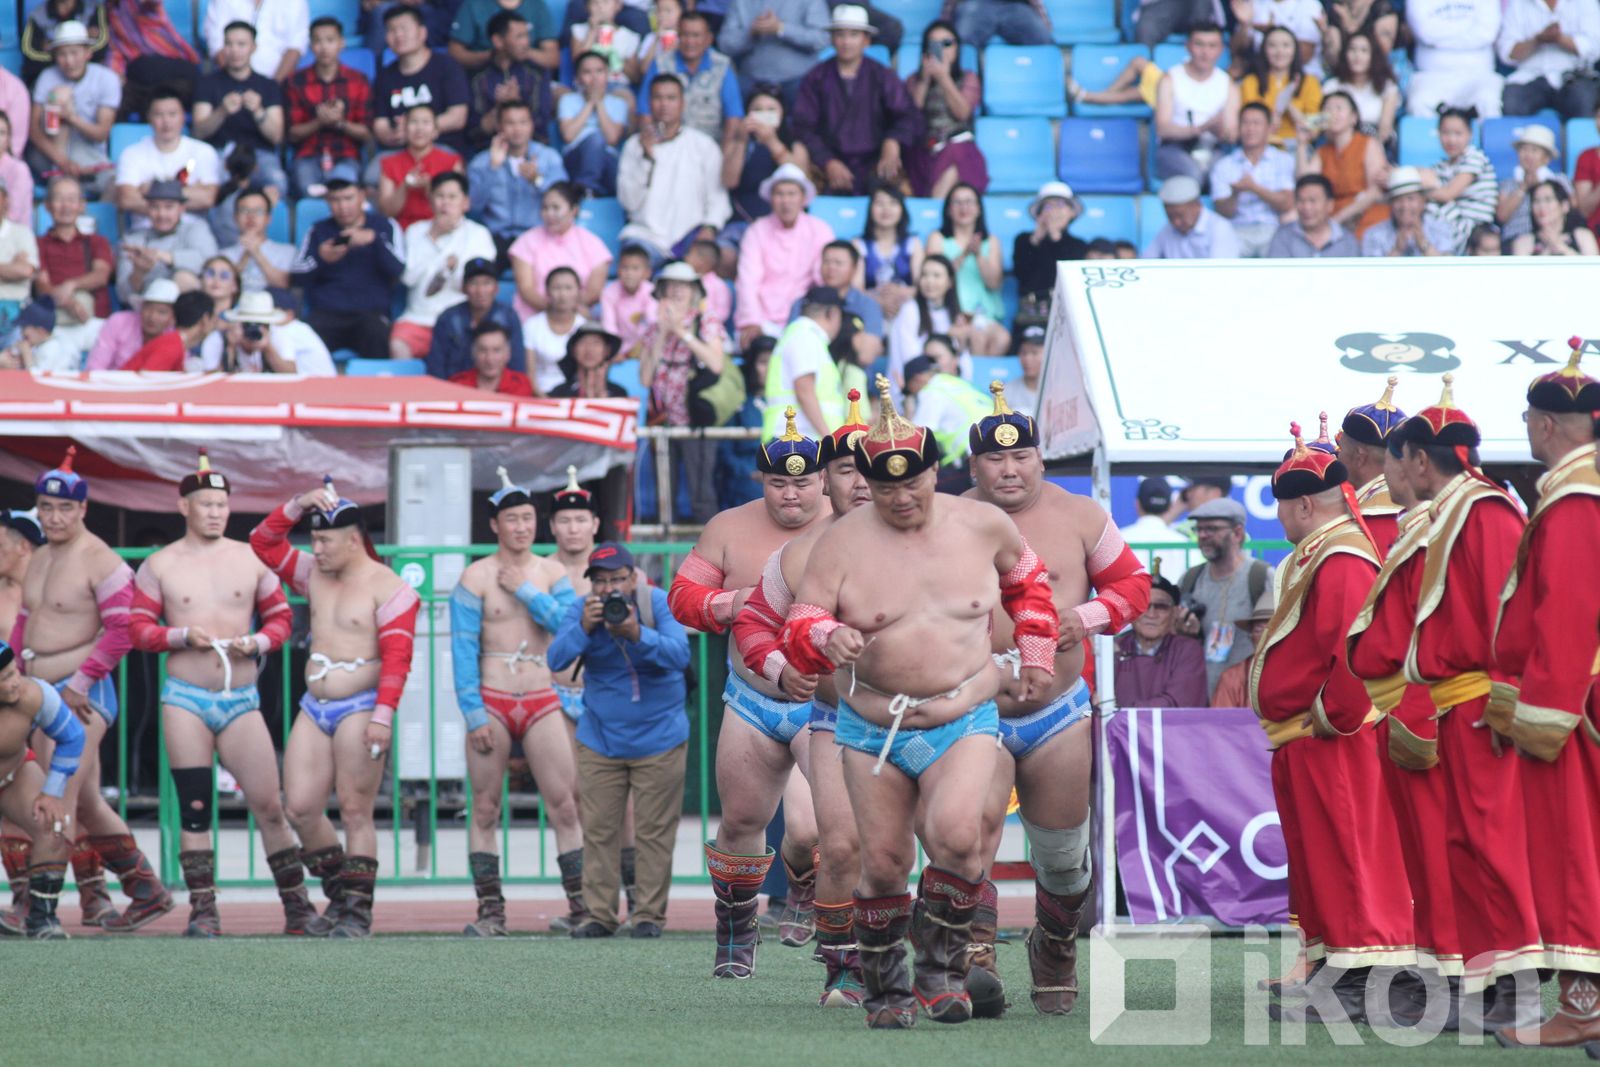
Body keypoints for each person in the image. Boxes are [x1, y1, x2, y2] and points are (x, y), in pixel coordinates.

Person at [777, 379, 1059, 1028]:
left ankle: (941, 970)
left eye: (914, 483)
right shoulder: (840, 542)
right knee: (882, 863)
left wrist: (1038, 655)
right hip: (871, 720)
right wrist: (827, 635)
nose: (902, 498)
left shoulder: (985, 523)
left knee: (959, 838)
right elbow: (801, 622)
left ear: (937, 469)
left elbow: (1030, 586)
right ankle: (886, 987)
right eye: (885, 488)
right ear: (866, 486)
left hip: (965, 711)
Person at [962, 384, 1151, 1012]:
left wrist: (1087, 616)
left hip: (1058, 709)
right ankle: (973, 949)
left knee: (1065, 858)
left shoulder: (1082, 516)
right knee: (969, 833)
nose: (1010, 469)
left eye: (1022, 457)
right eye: (995, 460)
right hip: (971, 704)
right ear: (974, 467)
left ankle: (1055, 944)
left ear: (1042, 459)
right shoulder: (946, 519)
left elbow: (1133, 587)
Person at [1251, 423, 1415, 1026]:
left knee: (1350, 853)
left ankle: (1367, 972)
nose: (1280, 520)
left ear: (1300, 504)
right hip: (1307, 737)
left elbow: (1350, 654)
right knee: (1325, 857)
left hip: (1333, 736)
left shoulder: (1341, 556)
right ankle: (1342, 966)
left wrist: (1330, 718)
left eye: (1282, 508)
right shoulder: (1321, 551)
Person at [126, 453, 326, 937]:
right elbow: (137, 629)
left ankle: (297, 908)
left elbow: (281, 618)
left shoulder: (249, 557)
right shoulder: (160, 564)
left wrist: (257, 643)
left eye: (221, 504)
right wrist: (178, 637)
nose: (215, 512)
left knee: (270, 805)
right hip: (186, 698)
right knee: (195, 808)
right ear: (184, 507)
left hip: (240, 699)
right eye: (206, 504)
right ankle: (203, 911)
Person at [1393, 375, 1541, 1028]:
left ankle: (1520, 981)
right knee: (1466, 843)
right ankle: (1486, 979)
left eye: (1403, 461)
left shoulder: (1483, 511)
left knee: (1494, 844)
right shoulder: (1461, 509)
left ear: (1422, 459)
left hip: (1481, 701)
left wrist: (1505, 703)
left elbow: (1506, 617)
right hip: (1458, 701)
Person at [670, 415, 832, 973]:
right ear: (761, 481)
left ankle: (827, 920)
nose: (790, 493)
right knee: (740, 821)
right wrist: (735, 603)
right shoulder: (728, 526)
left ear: (824, 482)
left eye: (803, 481)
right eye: (778, 482)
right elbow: (682, 595)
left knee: (822, 826)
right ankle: (736, 929)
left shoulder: (851, 528)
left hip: (823, 701)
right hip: (752, 697)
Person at [726, 392, 872, 1001]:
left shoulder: (961, 530)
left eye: (878, 464)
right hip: (835, 717)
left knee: (950, 839)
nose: (865, 481)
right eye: (846, 468)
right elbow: (753, 620)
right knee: (837, 843)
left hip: (942, 717)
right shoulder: (799, 552)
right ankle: (846, 968)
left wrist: (1029, 654)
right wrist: (782, 666)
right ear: (826, 480)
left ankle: (953, 961)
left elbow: (1019, 598)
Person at [249, 481, 420, 939]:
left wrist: (383, 716)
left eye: (325, 540)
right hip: (315, 704)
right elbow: (262, 543)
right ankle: (343, 895)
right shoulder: (313, 573)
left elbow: (398, 661)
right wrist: (297, 502)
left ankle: (357, 914)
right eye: (313, 539)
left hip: (362, 705)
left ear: (353, 539)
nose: (316, 548)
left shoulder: (393, 588)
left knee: (354, 809)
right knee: (301, 807)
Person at [13, 448, 174, 931]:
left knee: (56, 796)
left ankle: (37, 909)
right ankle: (145, 889)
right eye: (46, 507)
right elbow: (25, 623)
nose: (55, 516)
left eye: (65, 508)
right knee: (83, 802)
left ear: (84, 509)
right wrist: (15, 677)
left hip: (80, 694)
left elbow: (122, 630)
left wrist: (82, 682)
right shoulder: (39, 556)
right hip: (40, 690)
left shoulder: (101, 560)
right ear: (37, 508)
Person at [1490, 345, 1600, 1049]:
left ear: (1546, 426)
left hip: (1575, 703)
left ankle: (1582, 1006)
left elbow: (1566, 612)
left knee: (1573, 856)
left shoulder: (1573, 496)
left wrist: (1539, 717)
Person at [1345, 403, 1463, 1027]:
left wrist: (1411, 708)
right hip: (1406, 698)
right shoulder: (1417, 519)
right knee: (1418, 849)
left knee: (1440, 847)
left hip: (1425, 702)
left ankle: (1451, 975)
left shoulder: (1421, 521)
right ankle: (1427, 969)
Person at [448, 469, 581, 936]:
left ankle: (581, 909)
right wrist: (473, 713)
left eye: (528, 518)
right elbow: (463, 650)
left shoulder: (552, 572)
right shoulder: (474, 576)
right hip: (492, 698)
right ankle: (491, 912)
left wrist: (524, 589)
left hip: (543, 695)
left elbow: (570, 627)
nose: (522, 527)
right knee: (484, 807)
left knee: (564, 804)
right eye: (512, 519)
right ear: (495, 526)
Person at [549, 542, 690, 938]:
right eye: (601, 581)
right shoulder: (581, 610)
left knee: (654, 832)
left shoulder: (656, 602)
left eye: (617, 579)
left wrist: (636, 633)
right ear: (591, 584)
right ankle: (599, 915)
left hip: (660, 736)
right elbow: (556, 659)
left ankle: (647, 916)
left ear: (633, 577)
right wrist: (583, 629)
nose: (610, 590)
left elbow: (680, 654)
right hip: (600, 739)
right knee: (598, 829)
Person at [0, 639, 84, 939]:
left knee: (53, 824)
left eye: (14, 673)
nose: (15, 683)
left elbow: (73, 738)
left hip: (13, 775)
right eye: (5, 678)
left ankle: (41, 918)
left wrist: (52, 792)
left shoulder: (36, 694)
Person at [791, 7, 922, 196]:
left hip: (875, 163)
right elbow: (803, 126)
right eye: (840, 35)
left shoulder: (883, 76)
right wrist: (828, 161)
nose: (846, 42)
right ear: (832, 39)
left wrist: (892, 141)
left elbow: (908, 115)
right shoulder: (816, 78)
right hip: (828, 165)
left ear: (866, 40)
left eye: (853, 35)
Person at [639, 259, 730, 523]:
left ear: (694, 291)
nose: (678, 291)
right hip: (662, 421)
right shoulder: (654, 328)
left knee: (701, 493)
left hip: (695, 421)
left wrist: (682, 333)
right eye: (671, 286)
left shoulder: (706, 321)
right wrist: (662, 334)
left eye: (684, 285)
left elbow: (716, 363)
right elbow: (645, 378)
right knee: (663, 494)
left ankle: (711, 556)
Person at [291, 179, 406, 361]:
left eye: (348, 198)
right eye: (335, 200)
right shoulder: (318, 230)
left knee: (377, 334)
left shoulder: (384, 225)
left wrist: (374, 241)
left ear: (362, 196)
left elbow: (399, 271)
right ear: (327, 202)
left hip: (371, 314)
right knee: (300, 340)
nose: (342, 206)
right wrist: (321, 258)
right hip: (327, 314)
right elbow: (296, 278)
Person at [618, 74, 730, 261]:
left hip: (689, 240)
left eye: (671, 98)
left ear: (682, 103)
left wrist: (709, 228)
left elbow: (717, 198)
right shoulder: (633, 145)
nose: (664, 105)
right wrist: (646, 157)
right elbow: (629, 202)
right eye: (658, 98)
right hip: (645, 238)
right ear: (649, 103)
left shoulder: (703, 145)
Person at [1174, 496, 1274, 698]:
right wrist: (1186, 634)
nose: (1202, 535)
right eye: (1198, 529)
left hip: (1246, 703)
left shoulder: (1261, 576)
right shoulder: (1190, 578)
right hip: (1199, 701)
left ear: (1237, 533)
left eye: (1211, 529)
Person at [391, 173, 496, 361]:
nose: (445, 203)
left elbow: (472, 283)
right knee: (397, 345)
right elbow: (408, 278)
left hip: (461, 317)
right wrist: (433, 237)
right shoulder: (415, 232)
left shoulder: (479, 234)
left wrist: (446, 270)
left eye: (452, 197)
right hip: (419, 318)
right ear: (430, 201)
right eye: (440, 196)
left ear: (465, 203)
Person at [734, 163, 833, 347]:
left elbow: (823, 278)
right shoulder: (757, 230)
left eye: (791, 194)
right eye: (780, 194)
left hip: (804, 318)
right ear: (771, 198)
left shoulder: (820, 229)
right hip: (761, 320)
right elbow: (747, 280)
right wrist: (751, 321)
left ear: (802, 197)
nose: (785, 201)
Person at [192, 23, 289, 199]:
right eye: (229, 44)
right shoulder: (207, 83)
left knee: (278, 182)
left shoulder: (268, 86)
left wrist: (258, 111)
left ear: (253, 47)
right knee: (209, 190)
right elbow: (199, 132)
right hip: (220, 152)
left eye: (241, 44)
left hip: (259, 154)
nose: (234, 50)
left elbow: (276, 136)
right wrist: (221, 111)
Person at [28, 20, 121, 199]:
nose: (69, 61)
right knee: (59, 96)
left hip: (92, 156)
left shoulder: (107, 79)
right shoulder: (47, 77)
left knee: (117, 186)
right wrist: (63, 162)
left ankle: (98, 221)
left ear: (88, 52)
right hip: (53, 155)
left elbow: (101, 133)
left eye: (74, 53)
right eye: (62, 54)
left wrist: (71, 117)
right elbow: (34, 131)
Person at [285, 17, 373, 198]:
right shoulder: (295, 81)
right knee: (308, 190)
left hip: (346, 155)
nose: (324, 47)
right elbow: (292, 133)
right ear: (310, 46)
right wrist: (319, 122)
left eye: (330, 40)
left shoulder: (358, 80)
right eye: (318, 41)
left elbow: (366, 133)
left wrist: (340, 123)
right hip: (308, 156)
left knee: (344, 190)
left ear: (342, 43)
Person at [469, 100, 566, 259]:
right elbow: (472, 207)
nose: (517, 129)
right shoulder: (481, 162)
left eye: (523, 122)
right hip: (495, 238)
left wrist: (538, 180)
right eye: (510, 123)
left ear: (531, 125)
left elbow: (564, 201)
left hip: (539, 236)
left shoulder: (548, 157)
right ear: (499, 127)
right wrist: (492, 169)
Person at [372, 7, 472, 161]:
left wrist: (415, 129)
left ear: (422, 32)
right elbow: (380, 125)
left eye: (404, 28)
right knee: (372, 175)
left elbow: (458, 117)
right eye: (392, 30)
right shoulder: (384, 77)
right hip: (400, 153)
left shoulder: (447, 66)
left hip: (442, 147)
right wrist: (394, 136)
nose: (398, 35)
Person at [721, 85, 810, 255]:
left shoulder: (795, 147)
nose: (763, 115)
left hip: (785, 226)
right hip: (743, 223)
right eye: (757, 110)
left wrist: (771, 141)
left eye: (771, 109)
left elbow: (799, 179)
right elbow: (729, 181)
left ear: (782, 113)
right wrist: (741, 140)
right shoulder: (738, 143)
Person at [904, 20, 985, 199]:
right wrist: (925, 80)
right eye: (934, 44)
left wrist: (944, 78)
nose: (942, 49)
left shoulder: (968, 78)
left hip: (957, 146)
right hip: (925, 149)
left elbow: (962, 113)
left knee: (956, 153)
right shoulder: (914, 80)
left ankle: (936, 202)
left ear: (957, 48)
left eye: (947, 44)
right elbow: (910, 117)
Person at [787, 239, 884, 389]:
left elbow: (867, 355)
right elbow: (792, 347)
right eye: (826, 262)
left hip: (853, 385)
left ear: (855, 268)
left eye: (838, 263)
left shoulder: (867, 305)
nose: (831, 268)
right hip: (810, 377)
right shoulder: (803, 303)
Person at [925, 183, 1008, 356]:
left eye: (970, 202)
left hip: (983, 314)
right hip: (951, 312)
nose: (964, 208)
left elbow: (994, 283)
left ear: (979, 209)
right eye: (958, 202)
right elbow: (934, 276)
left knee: (1002, 338)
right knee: (976, 338)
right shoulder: (937, 238)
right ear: (948, 210)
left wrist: (978, 255)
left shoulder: (991, 241)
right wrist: (964, 254)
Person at [113, 90, 223, 219]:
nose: (166, 121)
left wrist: (150, 190)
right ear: (149, 117)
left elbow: (207, 199)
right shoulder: (131, 153)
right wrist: (189, 191)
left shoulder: (203, 151)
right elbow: (127, 200)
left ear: (183, 116)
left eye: (172, 114)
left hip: (192, 230)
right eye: (159, 115)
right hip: (145, 230)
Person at [1153, 23, 1240, 185]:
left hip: (1212, 148)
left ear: (1221, 50)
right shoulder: (1170, 78)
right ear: (1188, 46)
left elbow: (1232, 134)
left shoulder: (1227, 84)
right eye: (1199, 44)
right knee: (1193, 175)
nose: (1205, 53)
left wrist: (1222, 131)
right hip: (1175, 148)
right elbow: (1163, 128)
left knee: (1224, 174)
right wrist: (1200, 129)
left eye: (1212, 46)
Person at [510, 182, 611, 319]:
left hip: (577, 317)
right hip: (533, 318)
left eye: (556, 208)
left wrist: (568, 313)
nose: (549, 214)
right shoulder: (526, 241)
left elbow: (594, 291)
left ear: (573, 210)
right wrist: (556, 313)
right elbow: (526, 289)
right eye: (545, 208)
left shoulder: (592, 243)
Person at [1115, 562, 1209, 708]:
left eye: (1161, 607)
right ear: (1132, 611)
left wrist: (1123, 713)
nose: (1151, 614)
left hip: (1170, 730)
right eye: (1143, 605)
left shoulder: (1188, 650)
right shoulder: (1114, 649)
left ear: (1175, 613)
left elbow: (1179, 703)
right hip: (1118, 730)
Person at [1297, 92, 1388, 239]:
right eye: (1328, 110)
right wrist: (1301, 144)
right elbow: (1306, 184)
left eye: (1339, 108)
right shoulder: (1323, 152)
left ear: (1353, 118)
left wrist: (1338, 219)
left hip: (1366, 212)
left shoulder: (1368, 143)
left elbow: (1375, 192)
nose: (1333, 114)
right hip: (1332, 214)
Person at [640, 11, 742, 142]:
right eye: (685, 35)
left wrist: (722, 157)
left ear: (708, 39)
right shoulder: (660, 64)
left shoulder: (722, 66)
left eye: (696, 35)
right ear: (678, 36)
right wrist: (654, 146)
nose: (690, 41)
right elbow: (644, 112)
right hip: (666, 147)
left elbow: (733, 117)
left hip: (710, 149)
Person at [1336, 376, 1410, 555]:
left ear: (1359, 456)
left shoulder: (1374, 519)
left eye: (1341, 449)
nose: (1337, 456)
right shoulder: (1416, 505)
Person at [114, 180, 218, 307]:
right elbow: (123, 295)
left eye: (169, 207)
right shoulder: (133, 240)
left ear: (182, 209)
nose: (162, 214)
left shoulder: (196, 229)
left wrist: (163, 256)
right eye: (155, 207)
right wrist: (139, 272)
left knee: (184, 278)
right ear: (147, 209)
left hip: (187, 311)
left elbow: (212, 264)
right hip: (148, 310)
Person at [1212, 103, 1296, 258]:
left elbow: (1287, 204)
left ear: (1270, 128)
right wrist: (1235, 194)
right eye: (1245, 123)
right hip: (1236, 230)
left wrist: (1254, 188)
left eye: (1256, 123)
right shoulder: (1224, 165)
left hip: (1274, 229)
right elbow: (1223, 212)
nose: (1250, 128)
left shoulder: (1284, 160)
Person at [34, 176, 112, 332]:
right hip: (56, 321)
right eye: (59, 199)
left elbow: (101, 276)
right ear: (48, 206)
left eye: (71, 199)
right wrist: (68, 302)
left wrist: (71, 285)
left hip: (94, 321)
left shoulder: (97, 242)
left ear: (82, 206)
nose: (65, 206)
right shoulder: (38, 244)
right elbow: (42, 285)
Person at [1497, 0, 1600, 118]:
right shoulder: (1518, 3)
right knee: (1511, 102)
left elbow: (1595, 48)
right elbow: (1506, 53)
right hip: (1529, 77)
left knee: (1585, 100)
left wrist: (1560, 39)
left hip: (1575, 75)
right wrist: (1537, 40)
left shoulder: (1585, 3)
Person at [468, 12, 553, 154]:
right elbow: (474, 132)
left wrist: (517, 103)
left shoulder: (536, 72)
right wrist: (499, 107)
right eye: (519, 36)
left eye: (527, 35)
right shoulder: (477, 76)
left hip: (532, 152)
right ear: (498, 41)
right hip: (488, 152)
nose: (526, 42)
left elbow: (541, 124)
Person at [1417, 108, 1499, 253]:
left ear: (1470, 134)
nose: (1451, 140)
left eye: (1458, 133)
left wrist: (1422, 191)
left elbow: (1447, 194)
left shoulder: (1475, 157)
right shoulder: (1441, 166)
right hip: (1452, 223)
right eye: (1446, 133)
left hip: (1474, 230)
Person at [765, 286, 843, 439]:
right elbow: (804, 389)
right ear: (832, 313)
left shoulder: (801, 335)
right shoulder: (805, 336)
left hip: (798, 438)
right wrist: (829, 439)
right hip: (798, 440)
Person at [428, 257, 524, 379]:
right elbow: (436, 367)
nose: (480, 290)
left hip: (498, 393)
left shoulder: (508, 318)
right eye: (473, 283)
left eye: (487, 283)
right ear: (464, 288)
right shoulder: (448, 318)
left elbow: (517, 365)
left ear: (496, 288)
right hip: (454, 391)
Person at [718, 0, 831, 101]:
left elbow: (822, 39)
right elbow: (724, 45)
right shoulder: (741, 2)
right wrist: (750, 33)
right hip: (751, 82)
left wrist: (781, 28)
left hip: (799, 81)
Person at [1406, 0, 1503, 117]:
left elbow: (1487, 34)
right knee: (1419, 103)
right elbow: (1425, 33)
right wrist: (1469, 30)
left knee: (1489, 102)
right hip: (1431, 75)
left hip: (1479, 75)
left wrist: (1440, 38)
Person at [105, 0, 201, 118]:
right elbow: (116, 47)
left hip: (173, 68)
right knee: (111, 96)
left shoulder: (145, 6)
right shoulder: (113, 11)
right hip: (140, 77)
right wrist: (115, 73)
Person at [559, 50, 632, 198]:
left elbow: (612, 139)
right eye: (587, 72)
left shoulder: (618, 104)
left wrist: (598, 103)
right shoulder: (568, 100)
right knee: (595, 139)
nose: (594, 78)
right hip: (576, 159)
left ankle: (588, 189)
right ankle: (587, 189)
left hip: (608, 161)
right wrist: (590, 102)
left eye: (599, 71)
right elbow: (568, 136)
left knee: (601, 145)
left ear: (607, 75)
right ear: (578, 78)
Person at [378, 106, 465, 231]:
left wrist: (431, 187)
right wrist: (405, 186)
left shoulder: (451, 161)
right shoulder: (389, 163)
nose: (419, 128)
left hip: (443, 228)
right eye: (414, 122)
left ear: (435, 131)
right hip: (402, 232)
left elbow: (459, 206)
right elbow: (387, 212)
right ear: (405, 129)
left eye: (426, 122)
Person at [218, 289, 338, 375]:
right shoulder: (222, 337)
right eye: (248, 323)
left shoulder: (281, 332)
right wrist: (230, 347)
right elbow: (214, 381)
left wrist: (268, 347)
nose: (254, 327)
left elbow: (290, 374)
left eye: (261, 322)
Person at [900, 354, 989, 471]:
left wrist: (908, 410)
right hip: (995, 445)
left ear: (917, 379)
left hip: (973, 454)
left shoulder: (931, 392)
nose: (913, 395)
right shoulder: (957, 382)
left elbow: (919, 436)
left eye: (910, 390)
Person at [886, 254, 963, 387]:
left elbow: (962, 362)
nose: (929, 281)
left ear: (950, 282)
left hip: (948, 387)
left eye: (936, 275)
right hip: (911, 388)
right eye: (924, 275)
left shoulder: (955, 315)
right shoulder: (909, 310)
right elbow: (911, 361)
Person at [1239, 26, 1323, 148]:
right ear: (1264, 50)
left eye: (1286, 45)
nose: (1279, 52)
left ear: (1295, 50)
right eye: (1273, 46)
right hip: (1261, 146)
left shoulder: (1310, 82)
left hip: (1297, 146)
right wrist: (1276, 113)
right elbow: (1248, 124)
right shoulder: (1251, 82)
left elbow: (1314, 131)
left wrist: (1287, 102)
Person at [1013, 181, 1086, 309]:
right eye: (1048, 206)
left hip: (1067, 308)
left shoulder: (1079, 245)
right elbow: (1022, 274)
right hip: (1032, 312)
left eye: (1060, 205)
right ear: (1039, 213)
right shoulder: (1024, 240)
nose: (1054, 212)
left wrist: (1055, 237)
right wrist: (1035, 239)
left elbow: (1069, 278)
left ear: (1072, 213)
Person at [855, 183, 922, 323]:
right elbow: (856, 291)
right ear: (870, 209)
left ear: (902, 209)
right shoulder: (858, 245)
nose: (886, 209)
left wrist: (900, 293)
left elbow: (921, 287)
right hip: (870, 307)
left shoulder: (913, 244)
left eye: (893, 203)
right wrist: (879, 301)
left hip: (904, 306)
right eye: (880, 203)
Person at [1322, 31, 1400, 150]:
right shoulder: (1332, 86)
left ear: (1373, 56)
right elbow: (1324, 126)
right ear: (1345, 54)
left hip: (1376, 146)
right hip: (1337, 146)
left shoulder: (1387, 87)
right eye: (1352, 50)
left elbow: (1385, 129)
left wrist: (1368, 155)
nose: (1357, 56)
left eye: (1364, 51)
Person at [1495, 125, 1569, 245]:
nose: (1528, 155)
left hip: (1555, 239)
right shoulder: (1507, 184)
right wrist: (1523, 187)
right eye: (1524, 150)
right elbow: (1501, 217)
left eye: (1534, 150)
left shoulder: (1560, 180)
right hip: (1514, 241)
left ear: (1547, 158)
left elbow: (1571, 209)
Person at [85, 278, 178, 371]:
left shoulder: (176, 336)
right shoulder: (119, 322)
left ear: (172, 318)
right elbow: (95, 366)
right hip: (112, 383)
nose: (152, 317)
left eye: (162, 312)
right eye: (148, 308)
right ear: (141, 308)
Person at [204, 0, 308, 80]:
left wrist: (272, 90)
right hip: (229, 84)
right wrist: (235, 83)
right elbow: (217, 45)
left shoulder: (294, 2)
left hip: (278, 86)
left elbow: (295, 48)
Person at [1362, 167, 1456, 256]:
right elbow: (1372, 272)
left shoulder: (1440, 227)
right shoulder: (1374, 234)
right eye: (1398, 200)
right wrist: (1397, 250)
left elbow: (1449, 269)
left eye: (1410, 199)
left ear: (1422, 201)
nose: (1405, 206)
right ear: (1391, 204)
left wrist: (1423, 243)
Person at [523, 266, 588, 393]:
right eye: (556, 288)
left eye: (568, 288)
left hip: (575, 395)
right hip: (540, 394)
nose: (563, 295)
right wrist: (545, 401)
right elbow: (529, 373)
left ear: (578, 292)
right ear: (547, 292)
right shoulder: (531, 325)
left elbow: (587, 372)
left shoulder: (584, 326)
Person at [1145, 175, 1243, 259]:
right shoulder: (1168, 229)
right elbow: (1146, 261)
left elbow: (1219, 273)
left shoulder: (1219, 228)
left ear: (1197, 206)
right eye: (1170, 216)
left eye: (1180, 215)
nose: (1176, 222)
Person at [219, 187, 295, 294]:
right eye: (245, 210)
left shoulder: (287, 252)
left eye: (258, 211)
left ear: (268, 218)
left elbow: (284, 284)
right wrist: (245, 257)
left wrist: (256, 253)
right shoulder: (224, 256)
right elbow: (221, 289)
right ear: (235, 217)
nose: (251, 216)